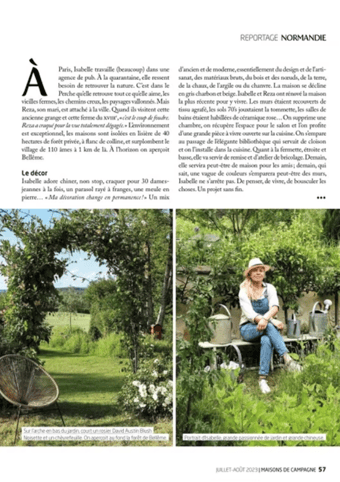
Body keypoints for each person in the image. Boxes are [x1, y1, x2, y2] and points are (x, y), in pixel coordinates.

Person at [239, 258, 301, 394]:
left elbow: (274, 307)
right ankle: (287, 359)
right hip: (249, 329)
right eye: (255, 270)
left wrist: (267, 319)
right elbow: (250, 315)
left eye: (261, 270)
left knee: (267, 339)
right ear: (249, 274)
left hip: (266, 327)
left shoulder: (269, 288)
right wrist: (271, 321)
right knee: (268, 327)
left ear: (264, 273)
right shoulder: (243, 291)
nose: (258, 273)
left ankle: (262, 379)